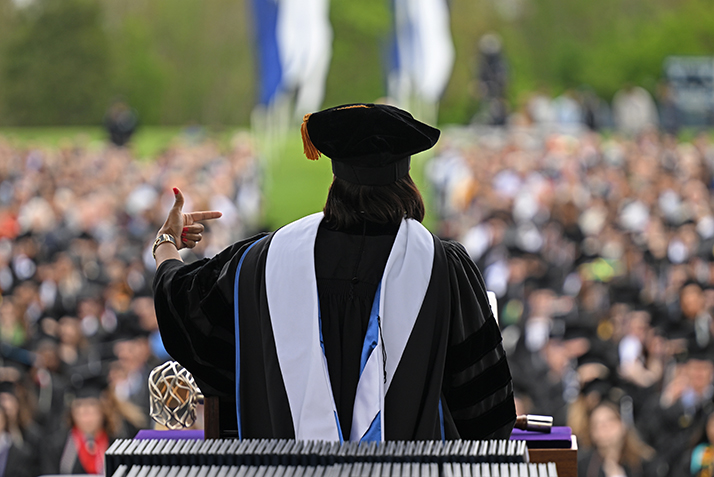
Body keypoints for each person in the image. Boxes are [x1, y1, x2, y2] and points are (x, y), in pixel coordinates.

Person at [152, 103, 516, 441]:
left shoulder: (265, 260)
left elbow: (183, 307)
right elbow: (486, 410)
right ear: (406, 183)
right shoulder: (444, 268)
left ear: (335, 182)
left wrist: (167, 241)